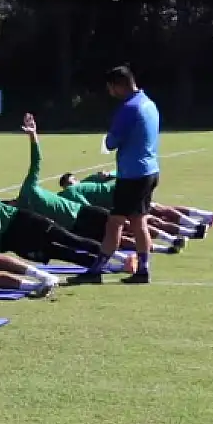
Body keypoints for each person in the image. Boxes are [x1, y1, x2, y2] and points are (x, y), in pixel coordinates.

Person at [0, 102, 136, 274]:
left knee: (70, 240)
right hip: (11, 242)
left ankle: (123, 259)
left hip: (20, 220)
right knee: (60, 253)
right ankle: (109, 267)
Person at [12, 113, 185, 255]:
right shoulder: (24, 213)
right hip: (75, 225)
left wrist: (33, 135)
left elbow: (36, 161)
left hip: (83, 212)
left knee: (127, 224)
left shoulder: (31, 188)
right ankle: (165, 249)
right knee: (114, 238)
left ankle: (170, 240)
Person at [71, 66, 160, 284]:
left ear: (118, 86)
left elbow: (111, 143)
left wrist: (109, 137)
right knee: (138, 222)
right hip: (150, 170)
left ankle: (97, 270)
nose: (110, 92)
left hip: (132, 175)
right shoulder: (149, 103)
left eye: (110, 88)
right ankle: (142, 269)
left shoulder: (128, 108)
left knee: (115, 223)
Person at [58, 171, 213, 240]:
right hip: (121, 199)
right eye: (70, 183)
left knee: (152, 214)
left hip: (123, 195)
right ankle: (196, 225)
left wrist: (109, 175)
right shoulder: (75, 191)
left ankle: (195, 227)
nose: (74, 184)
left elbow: (90, 208)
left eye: (74, 180)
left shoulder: (84, 183)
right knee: (153, 214)